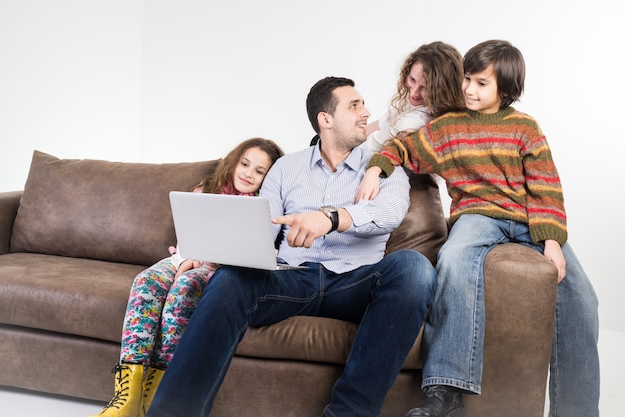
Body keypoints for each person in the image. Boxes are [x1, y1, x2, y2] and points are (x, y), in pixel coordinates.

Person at [146, 76, 437, 417]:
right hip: (293, 277)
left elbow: (388, 213)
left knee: (414, 269)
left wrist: (328, 219)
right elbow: (261, 233)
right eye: (354, 106)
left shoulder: (384, 168)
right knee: (229, 280)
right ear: (325, 120)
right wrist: (210, 253)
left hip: (357, 281)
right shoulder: (286, 168)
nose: (366, 113)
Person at [359, 40, 600, 417]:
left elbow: (545, 186)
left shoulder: (525, 127)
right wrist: (377, 166)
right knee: (453, 260)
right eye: (468, 79)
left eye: (481, 83)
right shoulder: (447, 128)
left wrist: (551, 241)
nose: (469, 89)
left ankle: (577, 410)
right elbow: (403, 149)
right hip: (477, 216)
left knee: (583, 299)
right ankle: (446, 390)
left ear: (505, 89)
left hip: (528, 219)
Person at [89, 137, 284, 417]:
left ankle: (153, 394)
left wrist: (203, 258)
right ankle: (127, 396)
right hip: (182, 257)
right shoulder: (205, 190)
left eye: (259, 171)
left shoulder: (263, 207)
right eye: (245, 164)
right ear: (234, 162)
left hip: (217, 269)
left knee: (184, 288)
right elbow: (188, 237)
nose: (248, 173)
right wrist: (192, 254)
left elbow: (247, 253)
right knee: (146, 282)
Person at [362, 41, 465, 153]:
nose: (414, 93)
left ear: (443, 89)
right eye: (412, 79)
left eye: (425, 87)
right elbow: (379, 125)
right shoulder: (421, 103)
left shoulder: (414, 122)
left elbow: (368, 147)